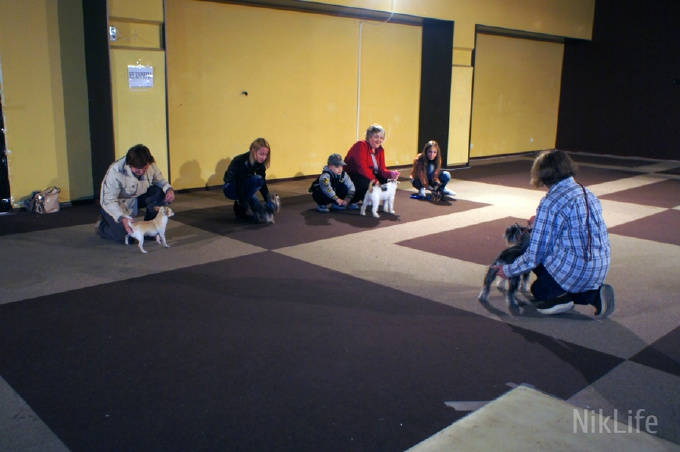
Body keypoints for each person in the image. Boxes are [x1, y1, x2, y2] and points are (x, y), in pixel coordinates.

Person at [494, 149, 615, 318]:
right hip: (598, 268)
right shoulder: (587, 193)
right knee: (563, 259)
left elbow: (536, 253)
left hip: (573, 269)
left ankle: (560, 297)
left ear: (541, 174)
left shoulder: (550, 201)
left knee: (539, 289)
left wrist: (508, 270)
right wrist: (540, 221)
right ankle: (593, 294)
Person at [96, 144, 175, 243]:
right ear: (129, 164)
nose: (141, 172)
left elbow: (160, 181)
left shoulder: (151, 165)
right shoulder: (115, 172)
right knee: (128, 236)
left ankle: (150, 229)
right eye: (138, 169)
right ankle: (101, 226)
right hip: (114, 205)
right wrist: (122, 218)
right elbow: (109, 201)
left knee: (159, 192)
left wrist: (169, 189)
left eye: (144, 168)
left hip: (136, 197)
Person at [223, 138, 277, 223]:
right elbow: (240, 184)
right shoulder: (241, 161)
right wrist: (246, 205)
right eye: (261, 154)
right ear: (253, 150)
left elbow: (263, 184)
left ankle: (241, 208)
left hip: (242, 185)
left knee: (256, 205)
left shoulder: (260, 164)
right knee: (257, 180)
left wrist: (268, 200)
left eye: (266, 155)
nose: (263, 157)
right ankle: (239, 203)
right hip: (230, 188)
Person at [344, 124, 400, 202]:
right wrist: (375, 181)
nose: (379, 140)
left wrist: (391, 174)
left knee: (386, 180)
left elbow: (382, 169)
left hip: (365, 175)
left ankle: (374, 199)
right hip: (352, 175)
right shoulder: (361, 145)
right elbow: (362, 168)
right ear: (369, 137)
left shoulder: (380, 150)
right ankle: (354, 199)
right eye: (376, 137)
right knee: (366, 182)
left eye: (381, 138)